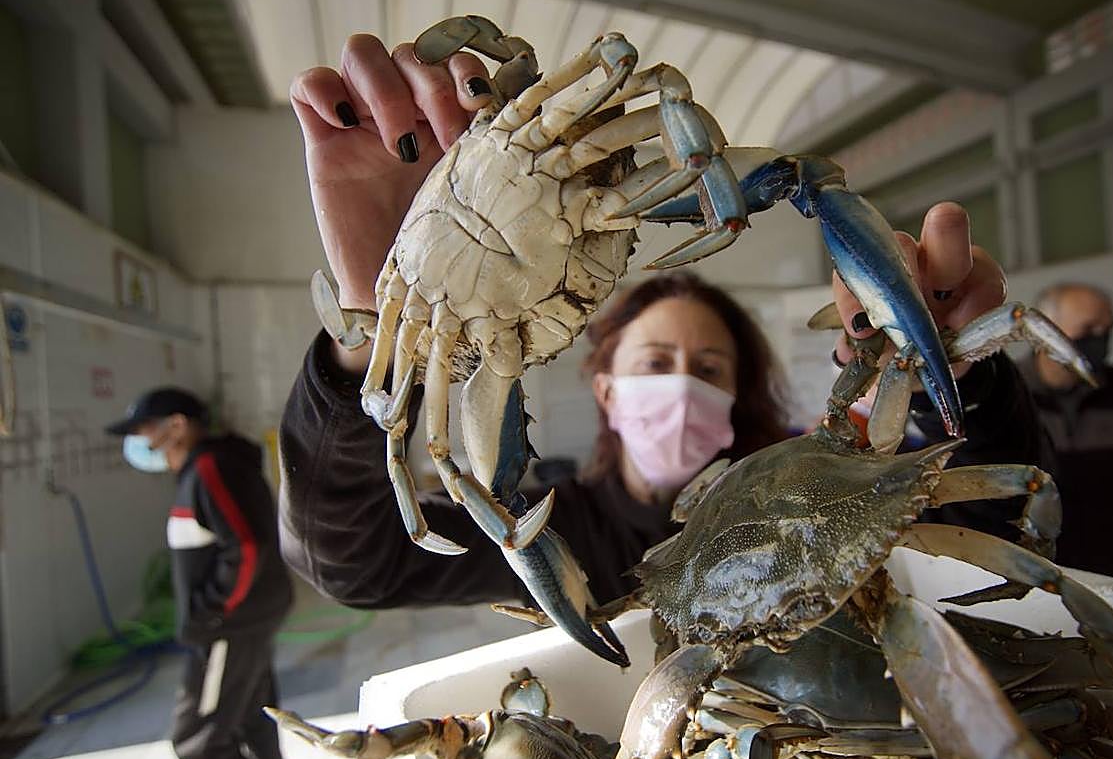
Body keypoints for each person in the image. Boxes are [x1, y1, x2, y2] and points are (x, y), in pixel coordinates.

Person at [276, 33, 1055, 614]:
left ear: (745, 383)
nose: (681, 383)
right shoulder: (555, 522)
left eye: (708, 368)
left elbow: (995, 536)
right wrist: (375, 329)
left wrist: (955, 374)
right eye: (655, 364)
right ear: (605, 386)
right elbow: (355, 566)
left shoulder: (807, 488)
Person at [105, 388, 293, 759]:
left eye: (144, 431)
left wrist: (212, 613)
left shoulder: (211, 468)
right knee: (251, 716)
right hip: (240, 620)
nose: (139, 444)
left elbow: (246, 547)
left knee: (198, 742)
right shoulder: (204, 469)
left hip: (228, 627)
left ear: (177, 426)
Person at [1018, 283, 1113, 579]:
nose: (1101, 339)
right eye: (1089, 328)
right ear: (1045, 332)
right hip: (1033, 566)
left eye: (1108, 328)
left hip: (1109, 558)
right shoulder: (1010, 394)